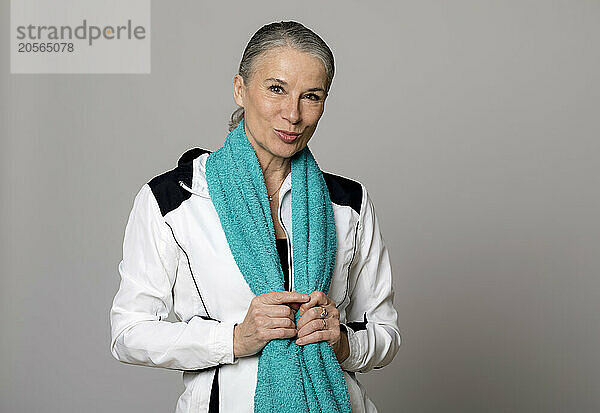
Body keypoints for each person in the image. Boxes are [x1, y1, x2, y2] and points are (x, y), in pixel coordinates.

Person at [109, 20, 401, 413]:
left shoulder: (349, 202)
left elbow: (385, 333)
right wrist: (233, 339)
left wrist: (343, 340)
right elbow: (128, 334)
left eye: (311, 96)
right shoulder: (173, 200)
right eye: (276, 89)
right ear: (240, 89)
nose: (293, 114)